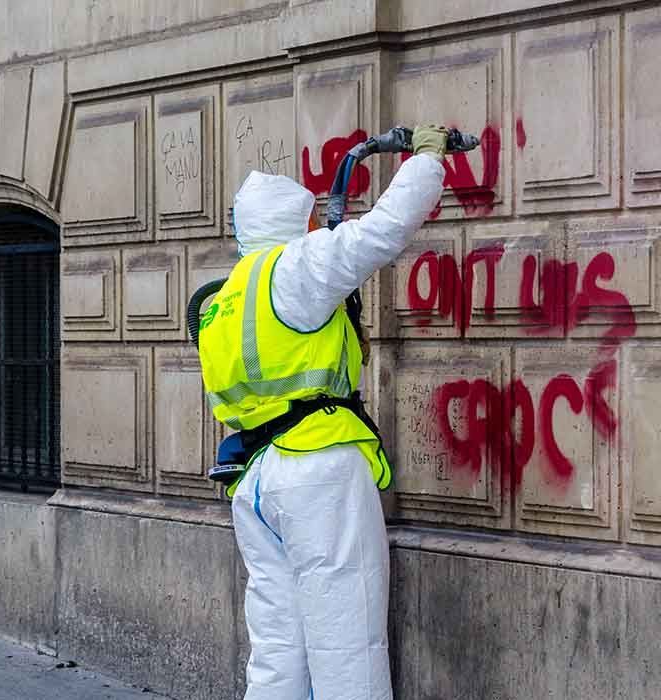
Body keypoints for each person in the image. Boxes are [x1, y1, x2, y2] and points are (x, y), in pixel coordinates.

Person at [198, 124, 449, 700]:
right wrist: (428, 159)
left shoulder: (223, 300)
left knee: (278, 648)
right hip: (318, 469)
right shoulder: (296, 269)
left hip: (256, 483)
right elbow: (383, 231)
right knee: (346, 642)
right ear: (296, 223)